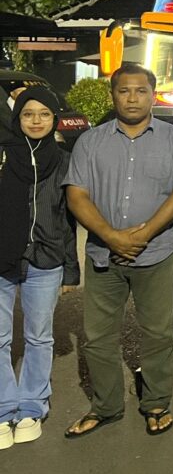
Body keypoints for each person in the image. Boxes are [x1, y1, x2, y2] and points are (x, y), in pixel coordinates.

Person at [63, 64, 173, 438]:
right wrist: (111, 236)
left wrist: (143, 235)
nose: (132, 98)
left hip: (157, 253)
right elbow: (77, 195)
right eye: (124, 91)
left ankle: (156, 403)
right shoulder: (90, 142)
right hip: (103, 254)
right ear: (113, 95)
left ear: (153, 95)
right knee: (98, 337)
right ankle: (106, 407)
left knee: (157, 333)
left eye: (140, 91)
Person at [0, 88, 78, 447]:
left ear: (54, 119)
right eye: (28, 113)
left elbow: (69, 218)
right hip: (2, 257)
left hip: (46, 259)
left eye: (44, 114)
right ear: (17, 118)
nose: (36, 121)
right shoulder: (4, 155)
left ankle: (32, 406)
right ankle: (4, 409)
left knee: (39, 337)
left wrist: (71, 268)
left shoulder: (64, 161)